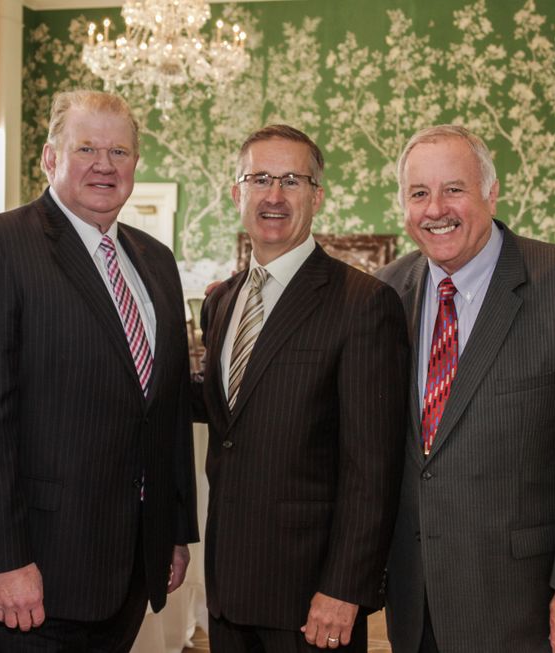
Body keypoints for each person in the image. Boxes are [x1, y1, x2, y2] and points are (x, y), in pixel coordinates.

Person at [0, 89, 198, 653]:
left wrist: (173, 533)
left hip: (132, 567)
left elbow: (165, 408)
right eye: (86, 148)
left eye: (120, 152)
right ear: (49, 157)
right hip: (35, 574)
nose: (104, 165)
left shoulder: (155, 260)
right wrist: (5, 560)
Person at [376, 124, 555, 653]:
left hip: (524, 605)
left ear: (491, 192)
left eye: (454, 189)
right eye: (418, 193)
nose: (435, 209)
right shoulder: (386, 293)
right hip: (416, 596)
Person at [191, 124, 408, 652]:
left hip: (311, 598)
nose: (273, 195)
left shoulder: (362, 304)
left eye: (292, 180)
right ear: (236, 192)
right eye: (259, 178)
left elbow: (372, 469)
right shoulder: (222, 302)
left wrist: (343, 588)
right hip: (228, 588)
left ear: (317, 196)